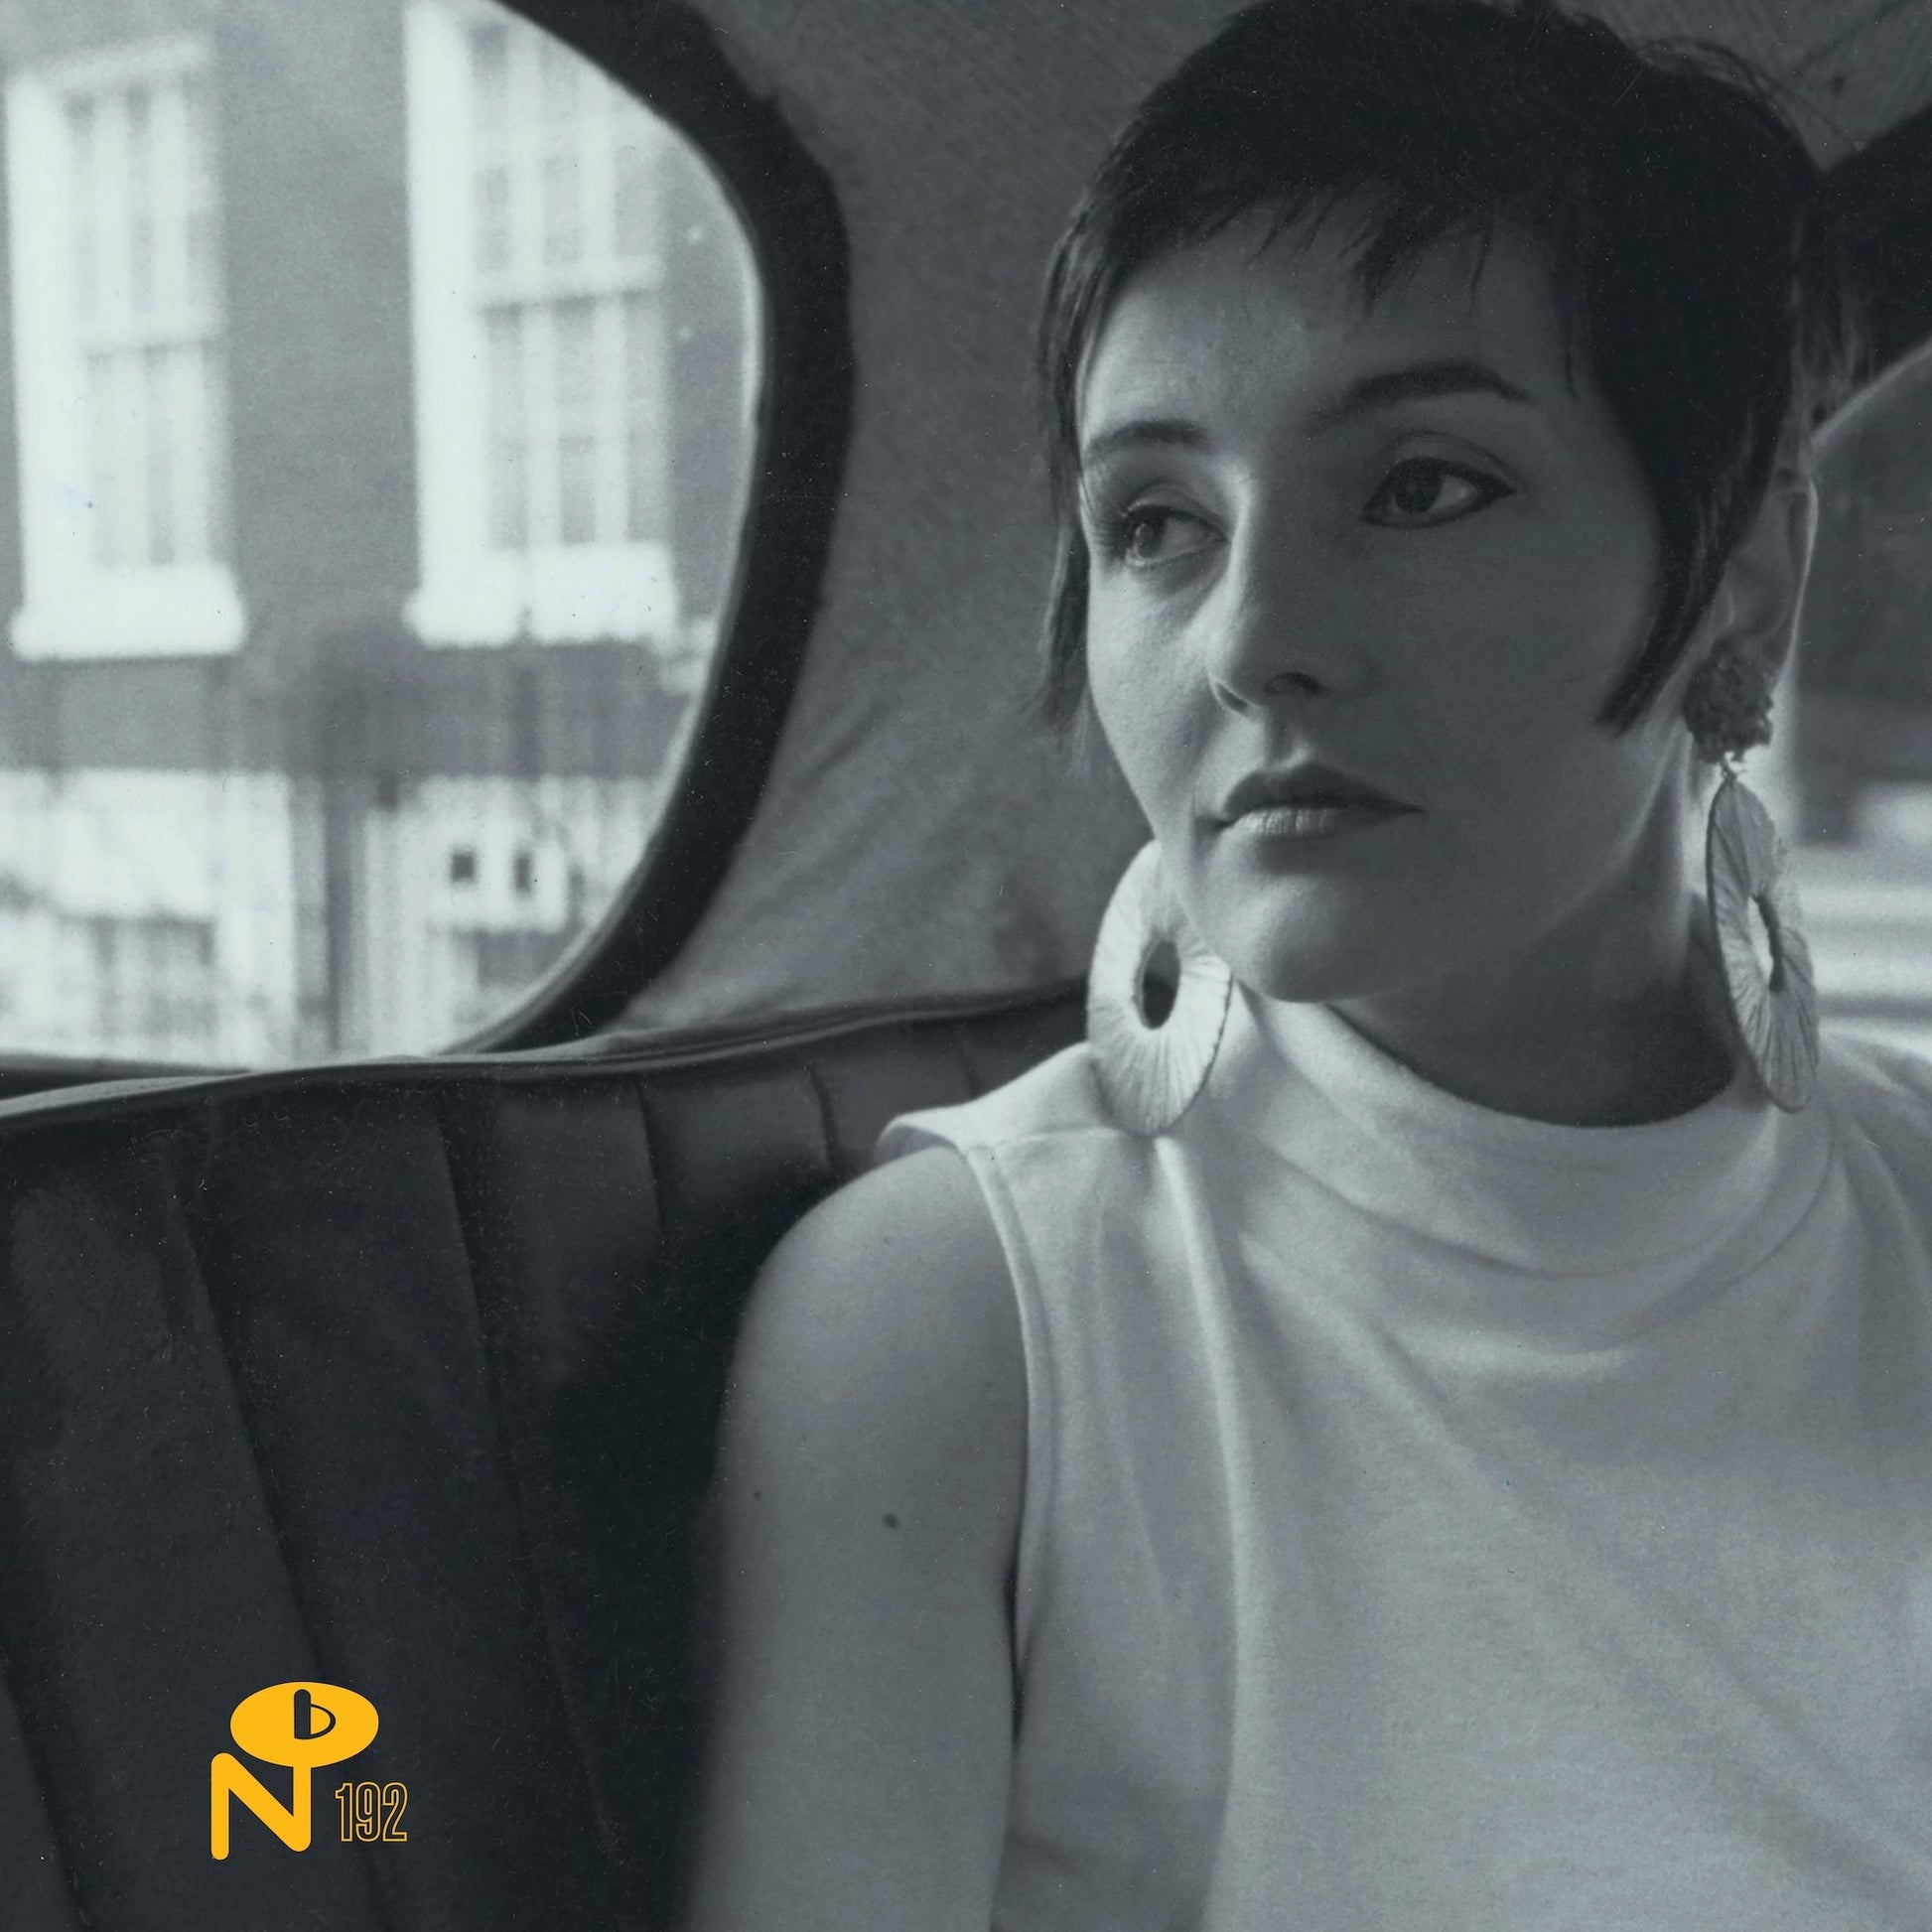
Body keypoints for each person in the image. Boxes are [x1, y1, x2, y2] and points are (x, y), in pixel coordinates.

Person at [679, 2, 1932, 1925]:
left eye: (1420, 485)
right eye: (1155, 523)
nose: (1249, 636)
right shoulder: (956, 1321)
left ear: (1742, 579)